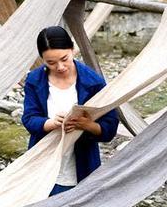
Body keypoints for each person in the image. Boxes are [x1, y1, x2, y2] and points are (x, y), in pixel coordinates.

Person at [22, 26, 119, 196]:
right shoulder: (34, 80)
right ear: (42, 59)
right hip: (44, 160)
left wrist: (88, 125)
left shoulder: (93, 82)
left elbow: (109, 127)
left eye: (64, 58)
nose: (60, 67)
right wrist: (50, 123)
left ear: (72, 49)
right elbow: (29, 118)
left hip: (81, 163)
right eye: (51, 63)